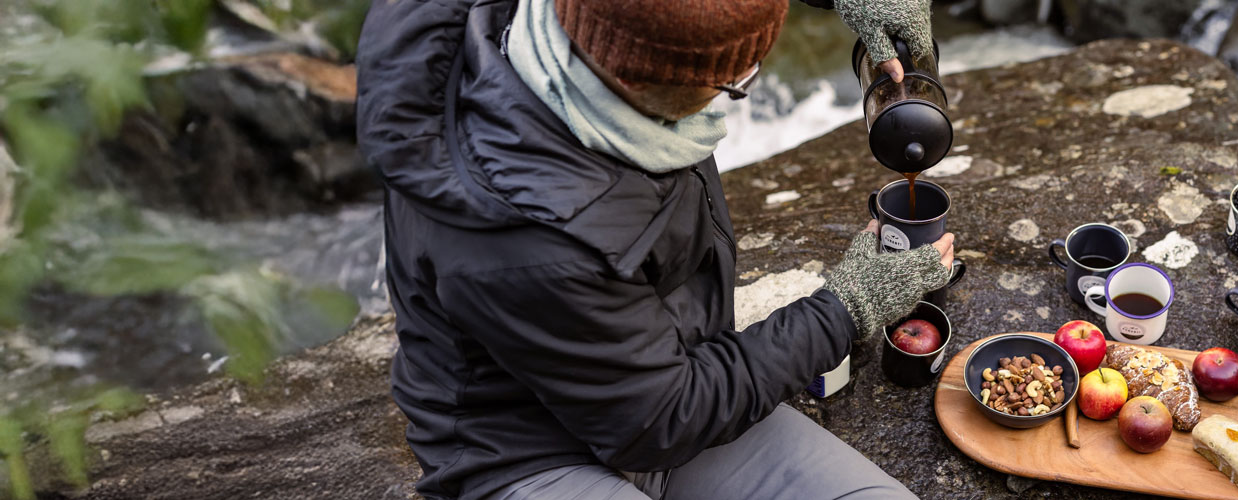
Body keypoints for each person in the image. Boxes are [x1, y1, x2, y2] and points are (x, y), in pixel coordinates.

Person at [355, 0, 949, 498]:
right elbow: (659, 420)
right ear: (641, 81)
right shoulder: (527, 234)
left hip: (675, 366)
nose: (738, 91)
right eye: (737, 81)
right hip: (527, 446)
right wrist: (843, 310)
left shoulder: (569, 33)